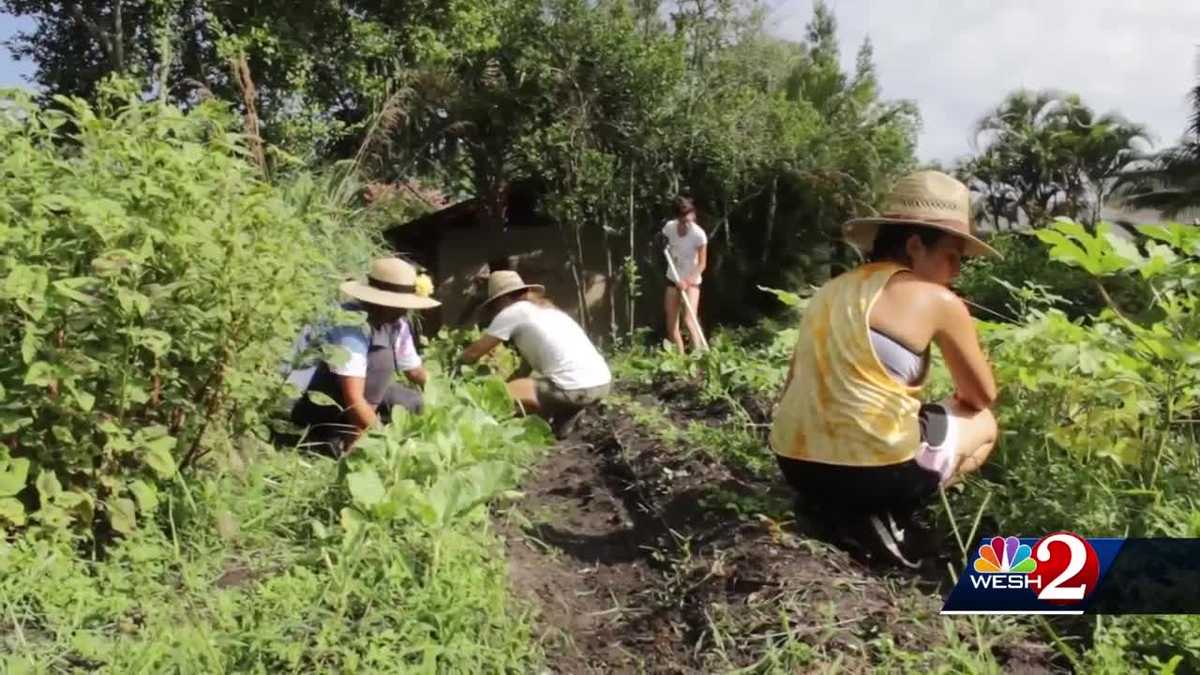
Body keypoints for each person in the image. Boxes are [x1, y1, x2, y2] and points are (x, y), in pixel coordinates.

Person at [770, 170, 1000, 567]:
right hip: (875, 475)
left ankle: (833, 509)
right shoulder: (938, 300)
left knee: (916, 413)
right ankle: (891, 515)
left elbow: (794, 383)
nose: (956, 271)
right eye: (951, 256)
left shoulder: (828, 293)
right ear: (914, 245)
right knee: (984, 422)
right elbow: (980, 396)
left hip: (795, 465)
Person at [289, 257, 440, 454]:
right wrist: (384, 440)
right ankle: (341, 438)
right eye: (400, 304)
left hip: (353, 392)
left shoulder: (395, 322)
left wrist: (442, 394)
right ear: (381, 303)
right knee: (382, 359)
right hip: (314, 399)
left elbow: (414, 371)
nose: (405, 309)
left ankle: (358, 432)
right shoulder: (352, 325)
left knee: (415, 402)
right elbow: (354, 398)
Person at [461, 270, 611, 437]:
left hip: (575, 387)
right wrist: (514, 383)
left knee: (497, 394)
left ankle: (490, 432)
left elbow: (473, 353)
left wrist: (455, 365)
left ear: (502, 299)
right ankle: (571, 416)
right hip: (602, 382)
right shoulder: (546, 310)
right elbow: (526, 368)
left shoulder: (513, 312)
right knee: (548, 420)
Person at [661, 196, 708, 353]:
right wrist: (660, 244)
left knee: (689, 319)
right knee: (671, 322)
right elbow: (663, 241)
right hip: (673, 278)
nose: (688, 222)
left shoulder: (699, 235)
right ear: (678, 217)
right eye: (684, 219)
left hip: (692, 280)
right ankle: (681, 361)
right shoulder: (669, 227)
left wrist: (687, 282)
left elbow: (702, 264)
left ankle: (699, 358)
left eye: (690, 217)